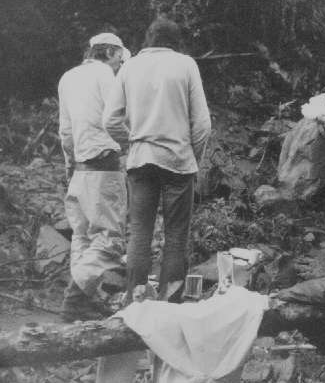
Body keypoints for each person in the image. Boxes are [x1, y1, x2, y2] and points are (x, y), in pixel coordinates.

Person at [103, 17, 211, 302]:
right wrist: (192, 158)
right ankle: (169, 304)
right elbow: (202, 125)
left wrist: (134, 141)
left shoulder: (129, 67)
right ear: (176, 42)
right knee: (175, 236)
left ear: (148, 39)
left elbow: (110, 119)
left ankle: (135, 301)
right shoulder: (186, 65)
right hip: (178, 160)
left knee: (139, 233)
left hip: (141, 160)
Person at [58, 33, 129, 321]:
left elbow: (66, 132)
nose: (120, 65)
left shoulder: (67, 78)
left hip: (79, 167)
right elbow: (116, 118)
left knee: (83, 237)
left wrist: (69, 166)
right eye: (119, 59)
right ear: (109, 52)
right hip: (104, 163)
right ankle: (74, 299)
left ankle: (84, 300)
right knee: (110, 240)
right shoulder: (105, 75)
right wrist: (130, 143)